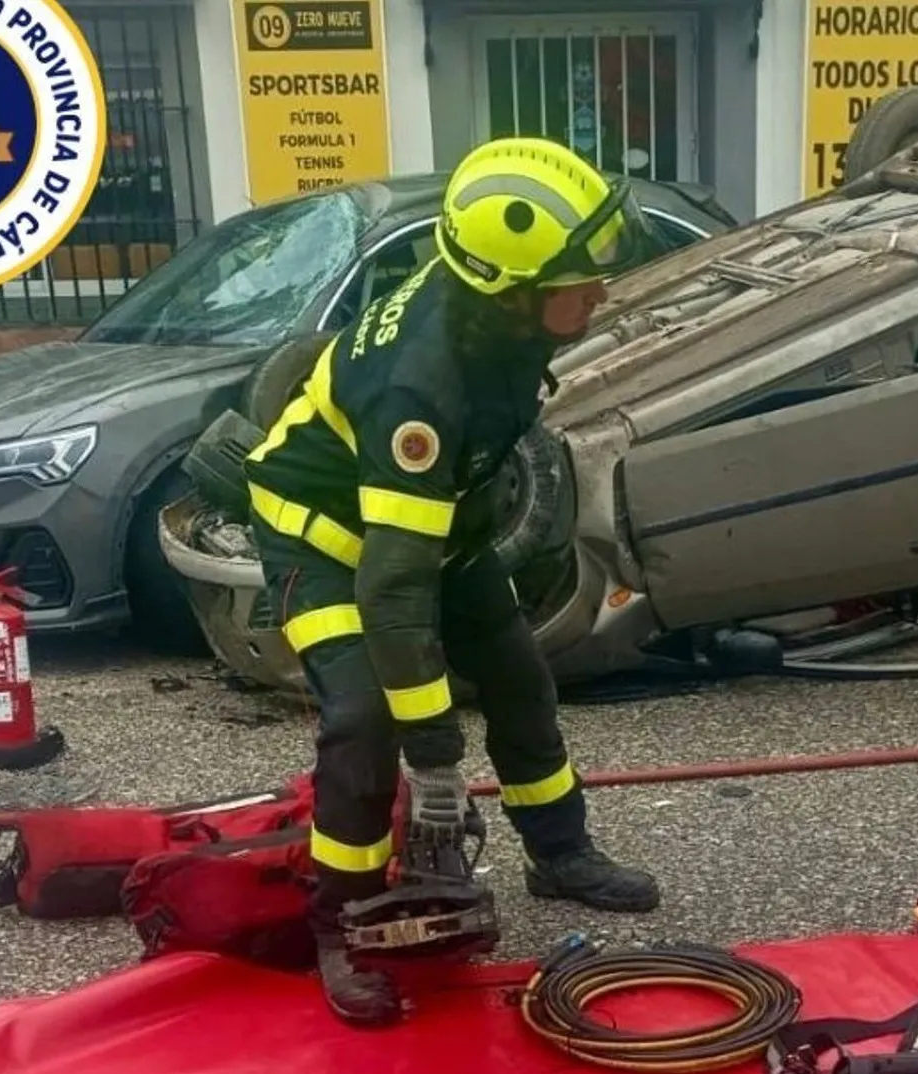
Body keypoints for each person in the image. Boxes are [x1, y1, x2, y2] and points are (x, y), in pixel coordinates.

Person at [241, 136, 663, 1028]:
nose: (598, 291)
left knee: (518, 677)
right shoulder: (417, 391)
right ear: (510, 290)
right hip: (327, 547)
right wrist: (434, 757)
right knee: (366, 720)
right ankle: (340, 922)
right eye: (576, 283)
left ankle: (560, 852)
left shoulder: (494, 317)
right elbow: (393, 594)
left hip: (439, 526)